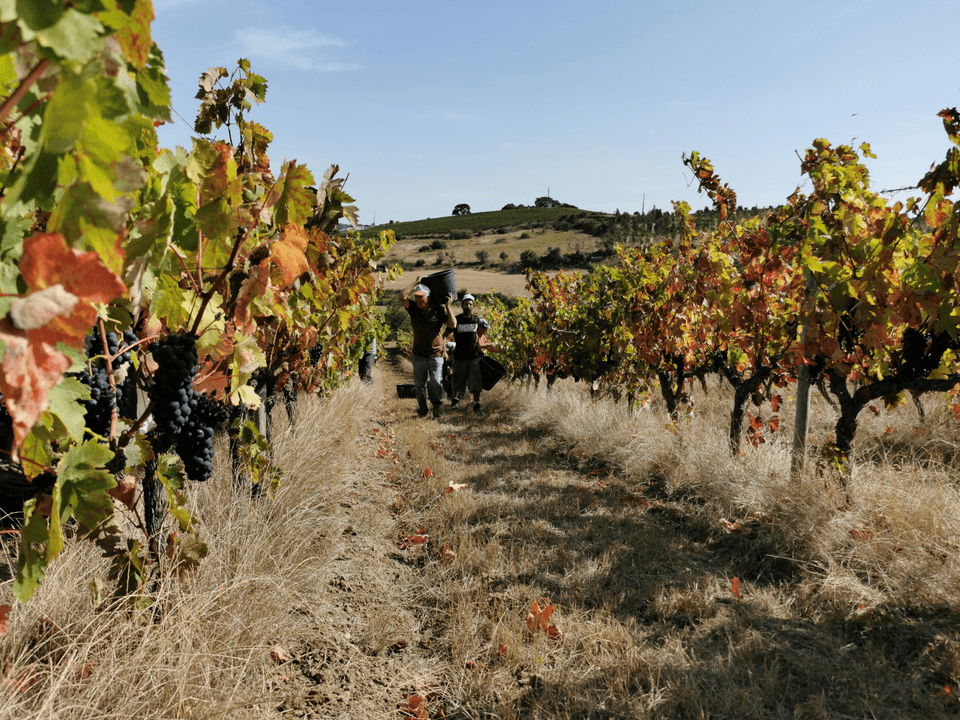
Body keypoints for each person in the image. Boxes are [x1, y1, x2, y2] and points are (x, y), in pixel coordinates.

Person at [400, 278, 457, 418]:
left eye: (421, 297)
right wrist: (415, 282)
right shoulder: (413, 309)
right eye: (416, 297)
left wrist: (448, 307)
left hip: (435, 355)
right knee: (419, 385)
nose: (418, 300)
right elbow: (402, 296)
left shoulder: (438, 310)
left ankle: (437, 407)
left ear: (428, 297)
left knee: (436, 383)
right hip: (418, 355)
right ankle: (423, 409)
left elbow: (453, 325)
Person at [444, 294, 494, 413]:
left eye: (470, 304)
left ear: (473, 306)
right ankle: (454, 402)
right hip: (459, 357)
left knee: (476, 381)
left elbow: (475, 339)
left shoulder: (476, 320)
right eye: (466, 304)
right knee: (457, 381)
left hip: (474, 357)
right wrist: (444, 350)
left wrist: (480, 350)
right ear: (462, 306)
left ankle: (476, 405)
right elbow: (445, 335)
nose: (468, 306)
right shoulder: (456, 320)